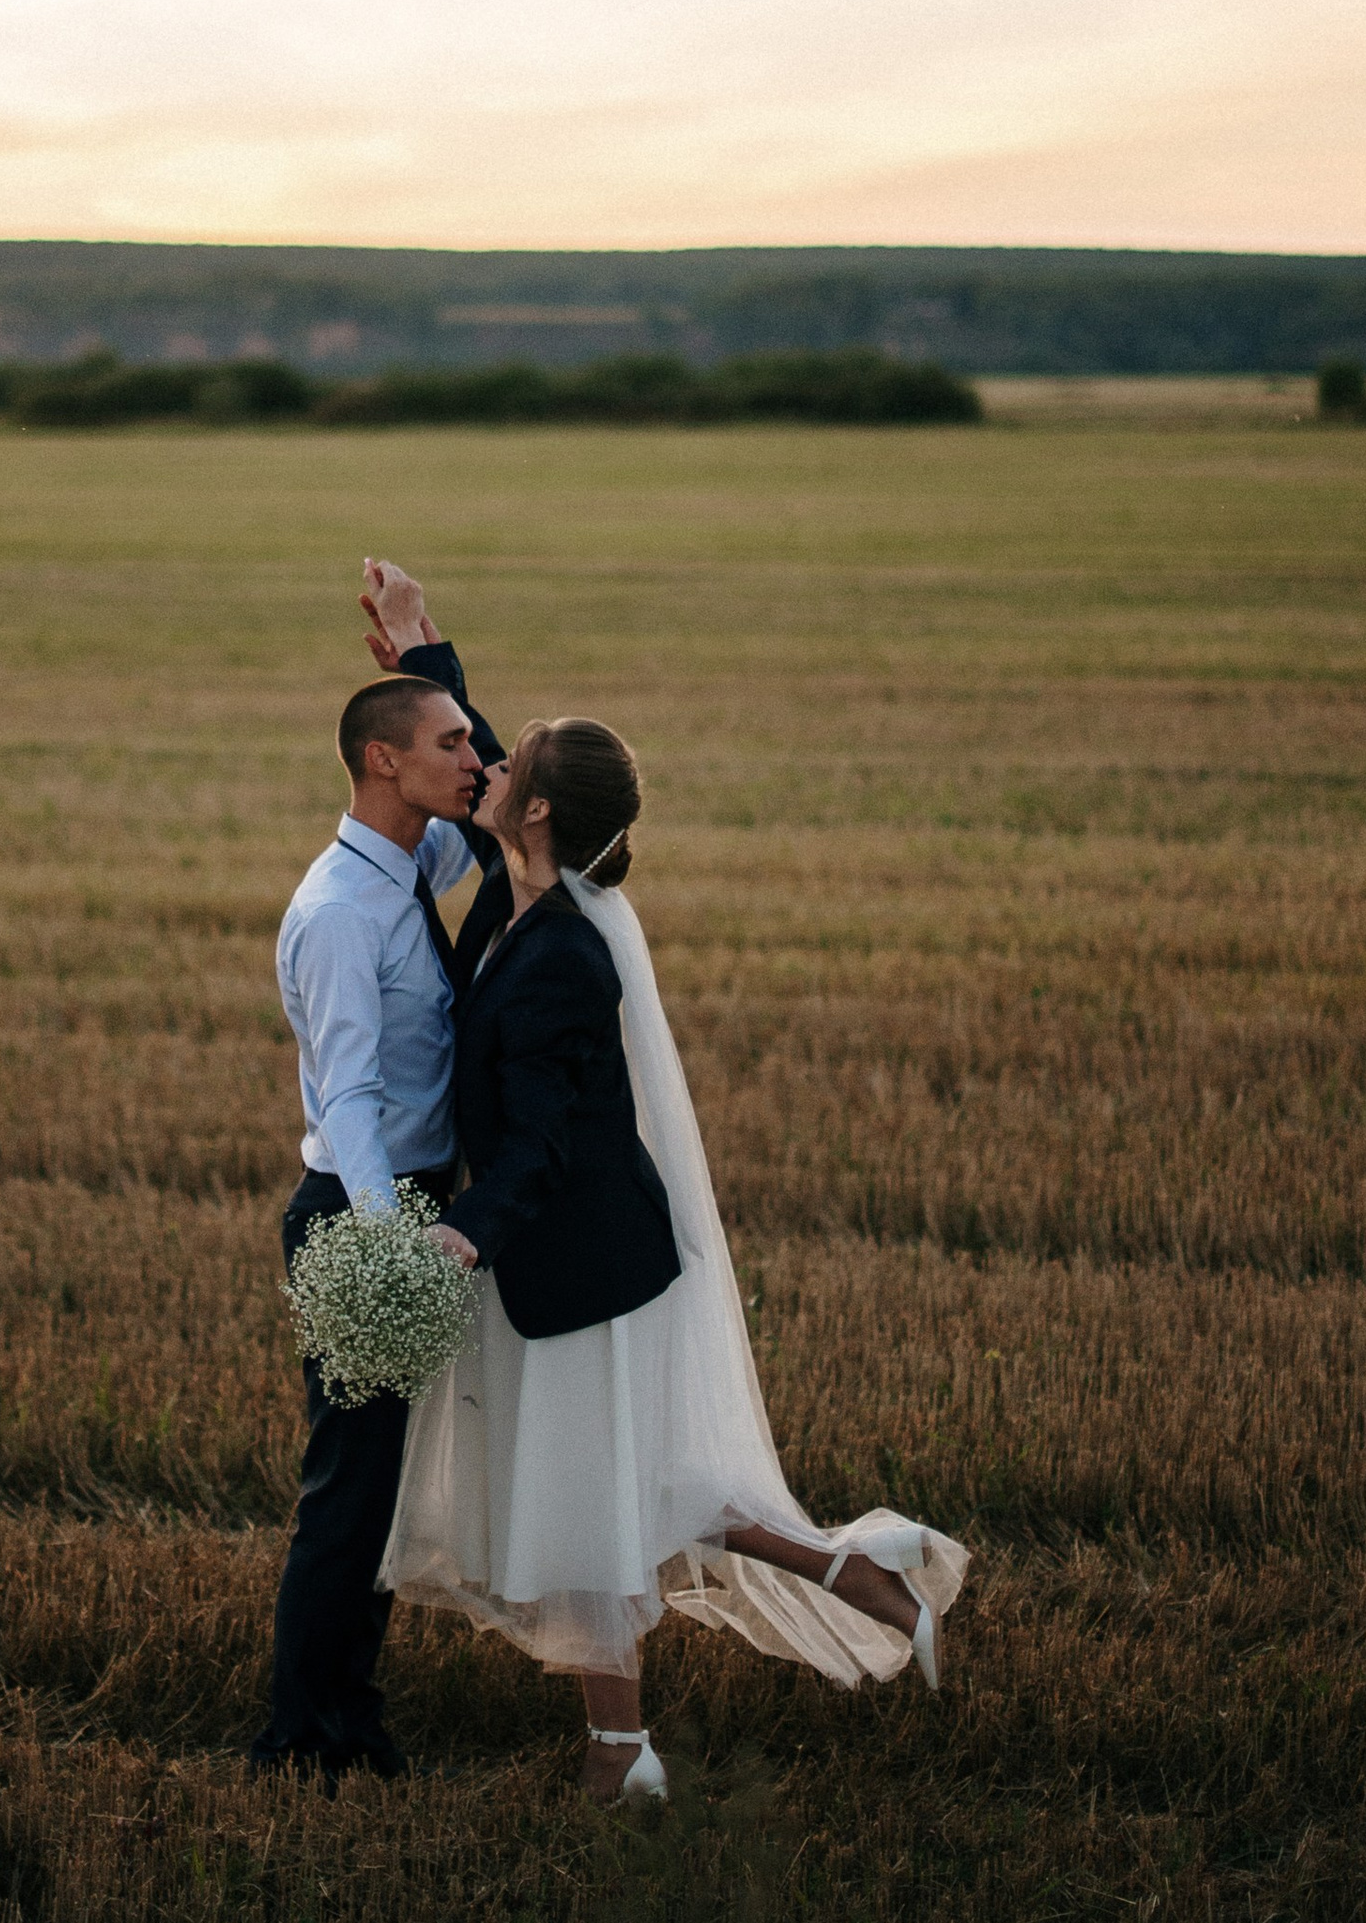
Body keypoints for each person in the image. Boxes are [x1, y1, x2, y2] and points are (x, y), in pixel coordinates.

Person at [384, 714, 969, 1800]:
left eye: (504, 760)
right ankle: (860, 1576)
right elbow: (494, 784)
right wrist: (425, 649)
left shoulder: (563, 949)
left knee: (590, 1497)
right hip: (574, 1258)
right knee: (635, 1484)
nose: (482, 764)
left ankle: (621, 1753)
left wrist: (467, 1232)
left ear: (543, 810)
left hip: (583, 1267)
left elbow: (542, 1146)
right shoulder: (522, 893)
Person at [250, 558, 502, 1784]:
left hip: (403, 1206)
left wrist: (427, 655)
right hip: (363, 1211)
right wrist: (385, 1235)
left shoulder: (415, 866)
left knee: (377, 1487)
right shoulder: (345, 909)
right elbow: (346, 1094)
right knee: (350, 1491)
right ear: (382, 765)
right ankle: (309, 1732)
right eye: (448, 739)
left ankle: (343, 1710)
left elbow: (507, 814)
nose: (472, 757)